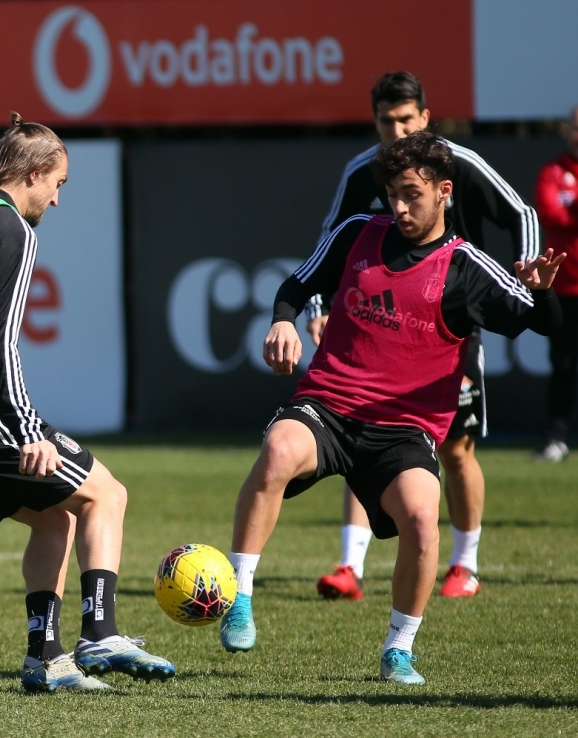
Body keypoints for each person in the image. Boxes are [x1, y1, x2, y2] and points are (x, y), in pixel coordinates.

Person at [218, 131, 563, 684]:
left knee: (424, 521)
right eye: (391, 194)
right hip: (328, 406)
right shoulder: (358, 232)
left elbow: (543, 326)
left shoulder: (467, 267)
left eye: (411, 194)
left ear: (445, 190)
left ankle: (398, 649)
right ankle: (238, 596)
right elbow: (297, 283)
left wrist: (543, 294)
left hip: (403, 431)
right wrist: (284, 318)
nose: (398, 207)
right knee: (279, 449)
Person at [0, 112, 175, 693]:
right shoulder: (11, 231)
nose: (58, 199)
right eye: (59, 184)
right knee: (107, 495)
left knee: (55, 518)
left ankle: (45, 660)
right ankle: (100, 634)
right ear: (35, 173)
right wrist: (28, 432)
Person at [309, 72, 540, 601]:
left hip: (447, 328)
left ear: (426, 118)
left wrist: (523, 278)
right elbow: (330, 243)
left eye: (406, 119)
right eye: (387, 120)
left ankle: (465, 562)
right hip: (381, 325)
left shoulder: (458, 163)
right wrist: (318, 306)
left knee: (457, 449)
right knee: (356, 431)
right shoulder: (364, 171)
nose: (397, 129)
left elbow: (521, 213)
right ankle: (350, 565)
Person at [532, 106, 578, 462]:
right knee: (562, 367)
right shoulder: (554, 171)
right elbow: (550, 213)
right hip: (565, 289)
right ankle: (556, 438)